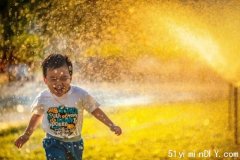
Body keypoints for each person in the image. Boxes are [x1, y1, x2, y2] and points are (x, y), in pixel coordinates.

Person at [14, 54, 122, 160]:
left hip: (75, 142)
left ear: (70, 78)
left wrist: (111, 125)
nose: (59, 83)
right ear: (45, 80)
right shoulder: (43, 97)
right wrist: (26, 135)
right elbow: (37, 116)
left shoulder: (80, 94)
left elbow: (95, 110)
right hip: (53, 141)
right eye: (53, 79)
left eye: (63, 78)